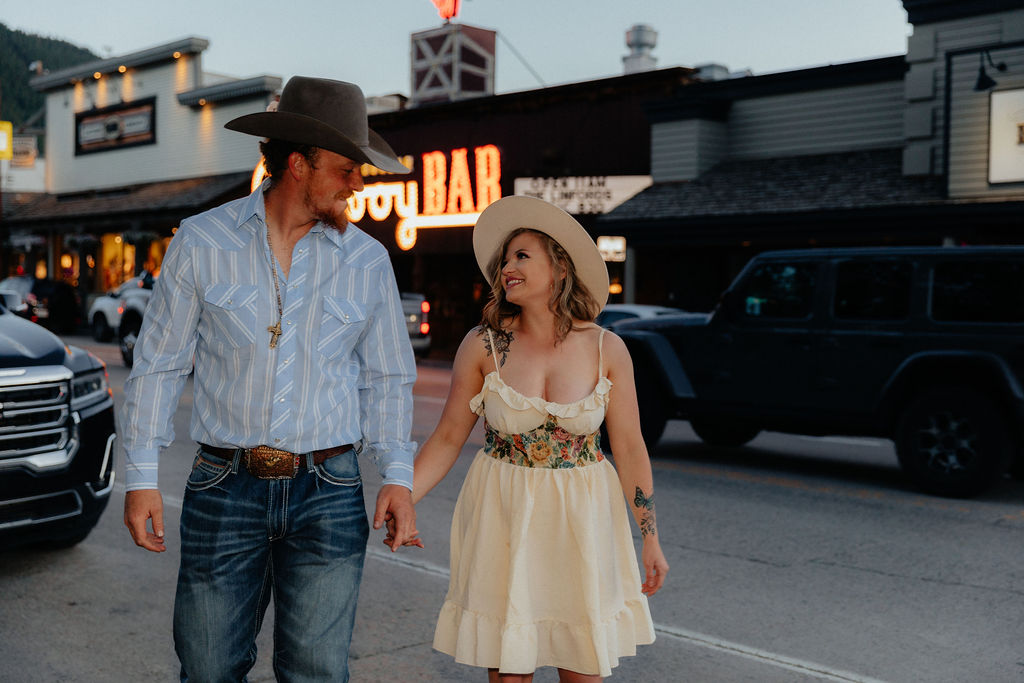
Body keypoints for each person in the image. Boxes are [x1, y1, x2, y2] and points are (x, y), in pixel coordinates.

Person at [121, 76, 420, 682]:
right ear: (297, 163)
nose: (359, 183)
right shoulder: (202, 242)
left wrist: (397, 475)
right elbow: (158, 365)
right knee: (208, 669)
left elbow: (388, 377)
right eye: (346, 168)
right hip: (224, 486)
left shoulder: (367, 261)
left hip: (330, 490)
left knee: (316, 671)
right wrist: (142, 477)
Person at [403, 195, 669, 682]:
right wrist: (404, 497)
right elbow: (446, 439)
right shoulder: (484, 344)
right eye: (505, 259)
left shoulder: (608, 348)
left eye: (521, 255)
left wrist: (649, 537)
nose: (507, 267)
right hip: (504, 518)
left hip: (584, 523)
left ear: (560, 266)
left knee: (582, 667)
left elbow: (630, 448)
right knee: (510, 671)